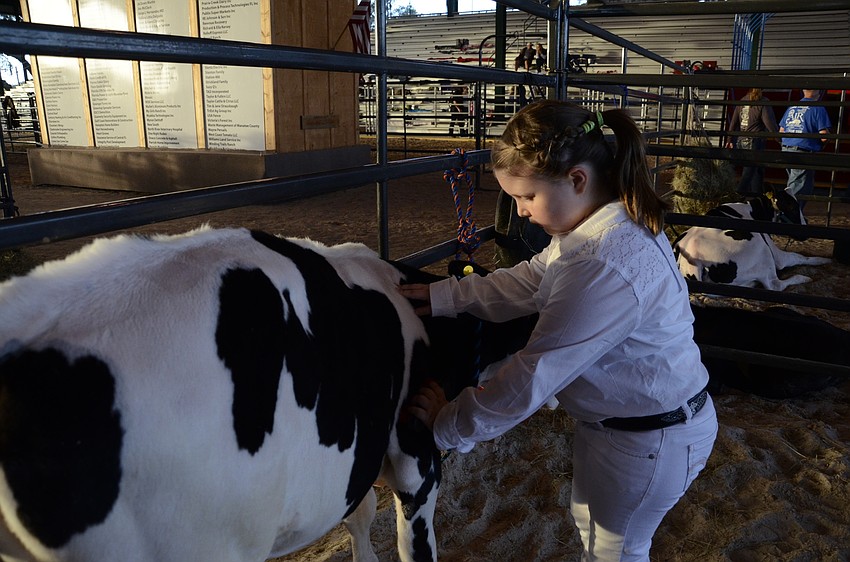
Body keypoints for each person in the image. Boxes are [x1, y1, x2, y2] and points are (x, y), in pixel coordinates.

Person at [401, 100, 718, 561]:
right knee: (596, 536)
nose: (521, 212)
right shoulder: (598, 228)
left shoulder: (603, 263)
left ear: (576, 180)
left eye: (526, 197)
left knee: (618, 551)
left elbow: (535, 374)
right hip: (624, 426)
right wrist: (445, 297)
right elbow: (534, 278)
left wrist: (447, 424)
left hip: (649, 439)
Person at [779, 89, 832, 206]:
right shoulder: (818, 108)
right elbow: (824, 135)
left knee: (794, 184)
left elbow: (781, 130)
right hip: (803, 149)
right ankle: (788, 217)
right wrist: (825, 142)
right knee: (799, 188)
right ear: (818, 93)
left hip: (787, 148)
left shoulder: (792, 107)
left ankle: (794, 216)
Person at [725, 88, 778, 195]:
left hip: (741, 139)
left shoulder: (742, 100)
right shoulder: (763, 102)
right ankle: (738, 194)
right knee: (750, 172)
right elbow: (769, 123)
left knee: (754, 171)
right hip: (755, 140)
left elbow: (734, 122)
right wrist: (779, 138)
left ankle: (755, 196)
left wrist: (729, 139)